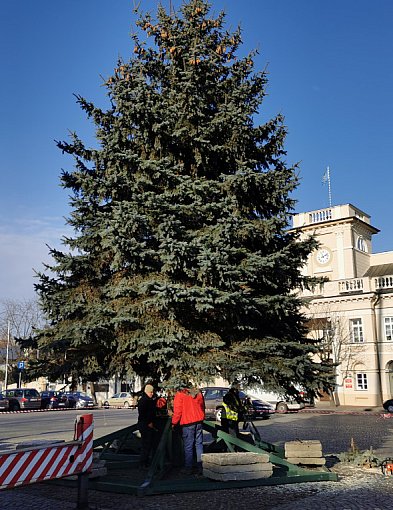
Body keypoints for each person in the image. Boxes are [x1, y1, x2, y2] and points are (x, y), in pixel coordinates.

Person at [171, 382, 205, 475]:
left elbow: (178, 411)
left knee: (188, 446)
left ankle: (188, 468)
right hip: (198, 421)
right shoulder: (198, 392)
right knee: (199, 444)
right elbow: (202, 406)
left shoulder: (180, 394)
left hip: (188, 422)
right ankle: (200, 466)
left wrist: (173, 423)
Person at [137, 383, 157, 468]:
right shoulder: (145, 401)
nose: (152, 394)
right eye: (150, 392)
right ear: (147, 392)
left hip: (145, 424)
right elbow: (143, 414)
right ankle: (143, 463)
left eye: (152, 392)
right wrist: (149, 422)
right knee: (146, 445)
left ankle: (145, 462)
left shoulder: (147, 400)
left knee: (147, 445)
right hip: (146, 425)